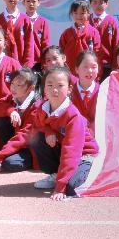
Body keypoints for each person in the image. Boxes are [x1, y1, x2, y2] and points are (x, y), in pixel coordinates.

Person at [30, 67, 99, 200]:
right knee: (37, 138)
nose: (54, 90)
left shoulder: (73, 116)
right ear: (44, 89)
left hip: (85, 154)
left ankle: (86, 174)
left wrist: (60, 187)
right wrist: (48, 131)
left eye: (60, 85)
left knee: (71, 188)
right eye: (50, 85)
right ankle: (56, 174)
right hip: (63, 149)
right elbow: (36, 127)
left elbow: (71, 151)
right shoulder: (43, 108)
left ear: (69, 89)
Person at [0, 67, 39, 172]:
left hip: (30, 147)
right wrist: (10, 111)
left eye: (19, 85)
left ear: (31, 88)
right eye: (12, 83)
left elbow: (24, 135)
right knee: (1, 118)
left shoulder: (37, 106)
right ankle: (9, 152)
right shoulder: (11, 98)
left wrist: (0, 156)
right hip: (15, 143)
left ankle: (24, 159)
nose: (13, 88)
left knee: (9, 163)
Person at [0, 0, 33, 67]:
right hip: (1, 64)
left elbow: (29, 43)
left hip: (21, 64)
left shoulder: (26, 20)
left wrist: (27, 65)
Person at [58, 0, 101, 76]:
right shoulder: (66, 33)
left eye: (82, 13)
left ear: (88, 14)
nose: (79, 16)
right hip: (69, 71)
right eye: (75, 13)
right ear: (72, 14)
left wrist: (97, 73)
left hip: (87, 71)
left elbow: (97, 53)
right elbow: (61, 52)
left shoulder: (94, 32)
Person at [89, 0, 119, 80]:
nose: (98, 5)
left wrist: (115, 65)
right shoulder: (86, 19)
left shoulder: (111, 21)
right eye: (95, 2)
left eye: (101, 2)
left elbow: (116, 43)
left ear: (106, 4)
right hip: (88, 63)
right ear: (90, 3)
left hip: (106, 64)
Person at [71, 51, 100, 134]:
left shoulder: (102, 92)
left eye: (94, 67)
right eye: (85, 67)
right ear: (77, 69)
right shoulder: (69, 92)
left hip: (96, 135)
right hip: (74, 134)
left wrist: (92, 130)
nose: (90, 71)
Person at [23, 0, 50, 73]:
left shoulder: (43, 21)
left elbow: (45, 43)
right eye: (28, 1)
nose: (31, 4)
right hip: (22, 60)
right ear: (23, 3)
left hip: (37, 62)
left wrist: (44, 62)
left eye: (34, 1)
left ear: (38, 3)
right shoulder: (20, 20)